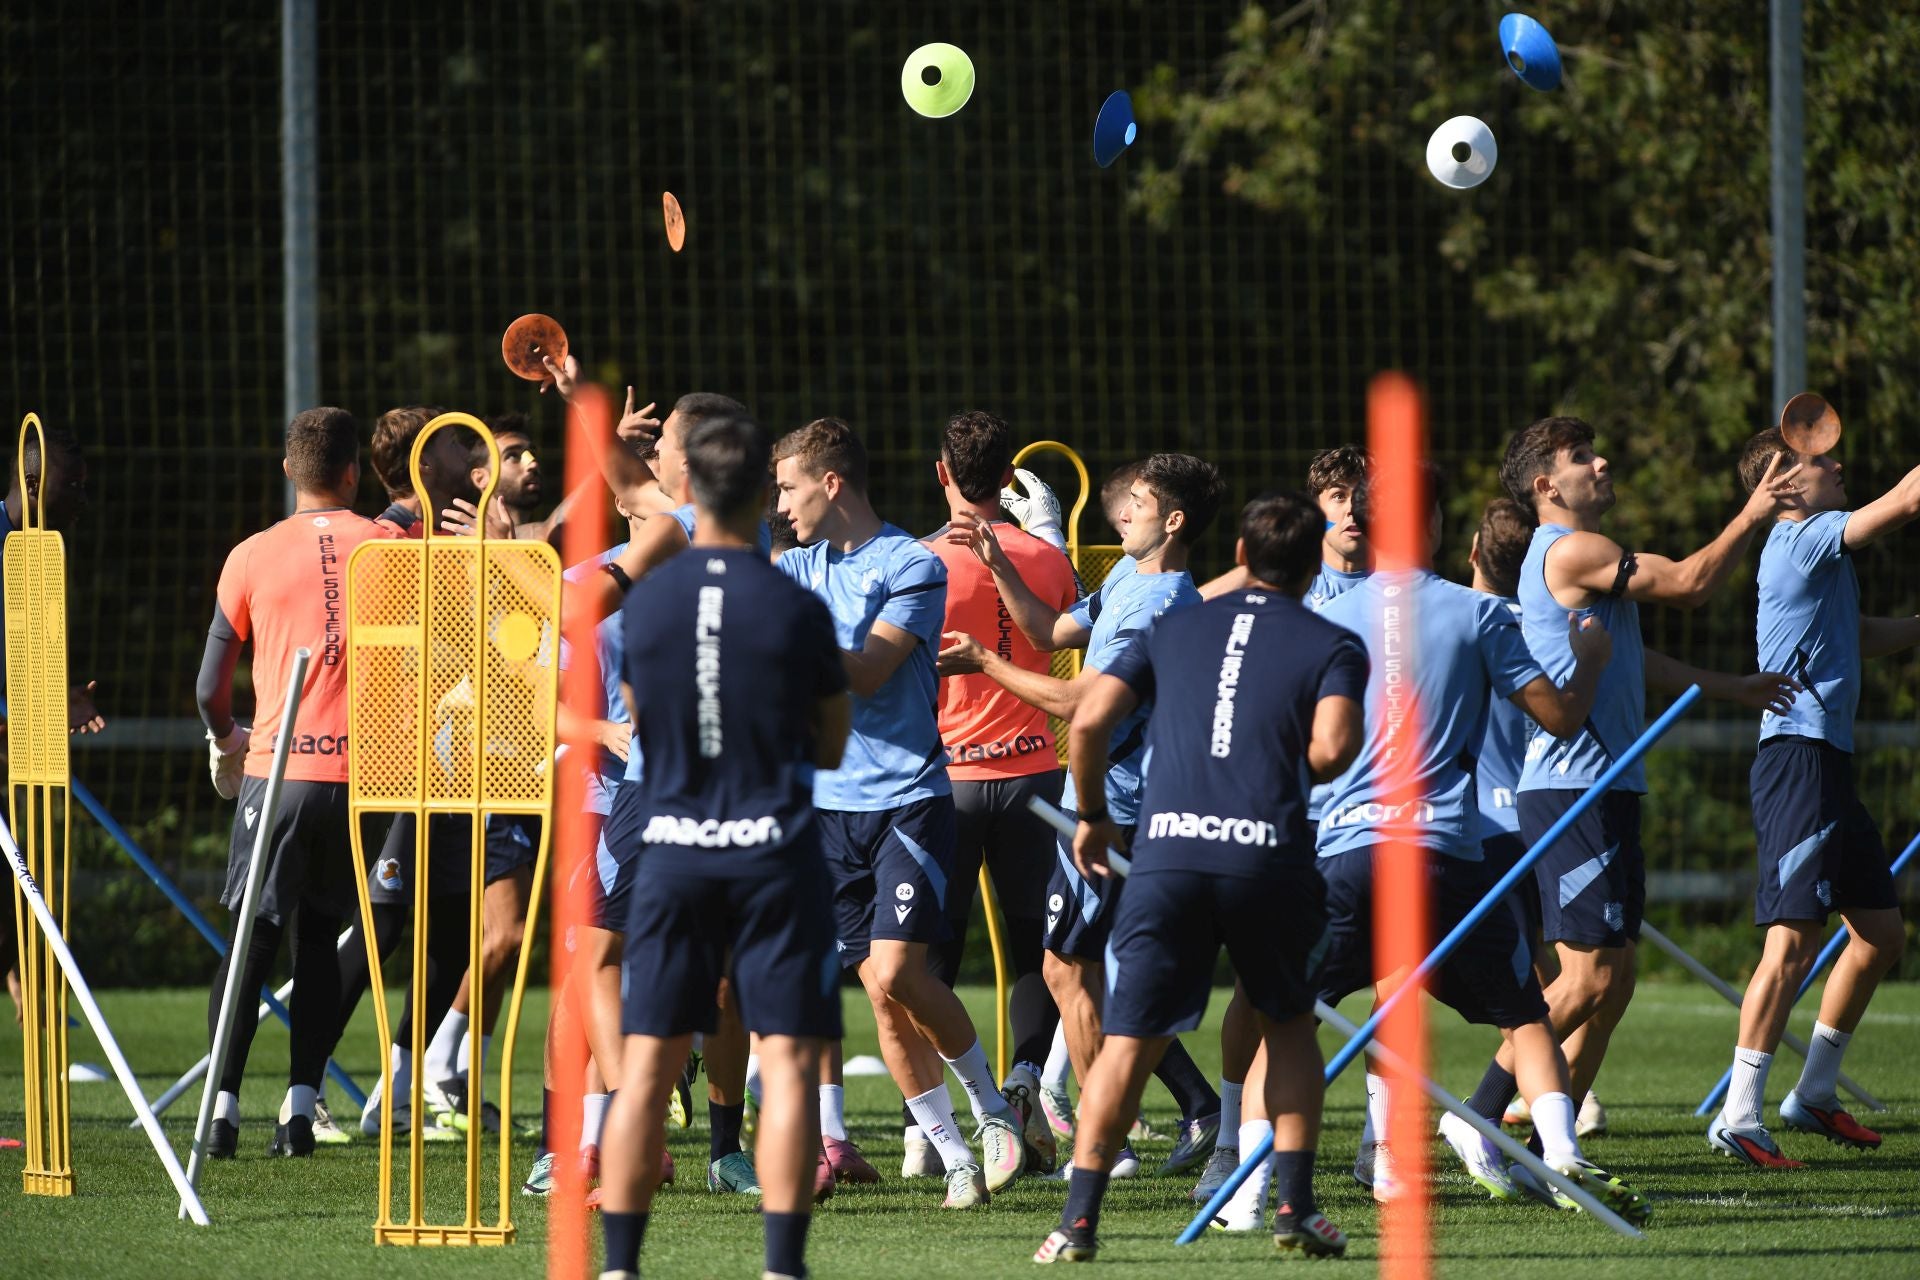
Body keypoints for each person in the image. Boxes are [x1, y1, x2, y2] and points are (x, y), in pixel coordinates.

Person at [1292, 461, 1648, 1224]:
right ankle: (1562, 1157)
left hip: (1347, 851)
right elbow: (1558, 717)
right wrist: (1587, 664)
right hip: (1446, 851)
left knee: (1287, 1018)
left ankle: (1255, 1185)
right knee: (1522, 1014)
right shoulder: (1477, 614)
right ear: (1432, 526)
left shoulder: (1321, 620)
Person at [1033, 492, 1367, 1264]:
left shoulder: (1172, 627)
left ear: (1241, 559)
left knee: (1129, 1037)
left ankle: (1077, 1221)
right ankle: (1295, 1206)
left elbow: (1086, 721)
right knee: (1286, 1026)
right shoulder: (1333, 641)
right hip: (1267, 857)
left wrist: (1091, 814)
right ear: (1315, 566)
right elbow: (1333, 750)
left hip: (1168, 853)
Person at [1463, 416, 1803, 1146]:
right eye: (1582, 457)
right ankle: (1478, 1118)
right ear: (1546, 486)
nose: (1603, 461)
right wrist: (1752, 512)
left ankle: (1548, 1145)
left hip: (1604, 788)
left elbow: (1632, 660)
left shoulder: (1586, 563)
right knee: (1584, 982)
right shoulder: (1573, 549)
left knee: (1613, 985)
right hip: (1572, 790)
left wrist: (1729, 685)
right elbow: (1689, 584)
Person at [595, 408, 851, 1280]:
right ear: (764, 501)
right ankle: (782, 1267)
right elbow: (831, 745)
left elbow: (634, 709)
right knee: (784, 1062)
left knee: (646, 1064)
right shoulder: (795, 603)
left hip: (670, 849)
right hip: (773, 851)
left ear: (691, 490)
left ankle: (621, 1266)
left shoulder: (647, 601)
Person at [942, 452, 1226, 1180]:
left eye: (1135, 502)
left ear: (1174, 519)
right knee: (1085, 968)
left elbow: (1080, 707)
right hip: (1099, 805)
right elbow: (1046, 633)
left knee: (1070, 966)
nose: (1118, 511)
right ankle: (1164, 1118)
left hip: (1119, 810)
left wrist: (981, 660)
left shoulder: (1162, 603)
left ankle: (1109, 1139)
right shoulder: (1128, 579)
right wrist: (1000, 562)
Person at [775, 416, 1022, 1207]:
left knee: (897, 971)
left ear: (832, 483)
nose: (781, 504)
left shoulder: (910, 564)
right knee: (879, 992)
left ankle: (991, 1111)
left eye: (789, 487)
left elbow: (869, 671)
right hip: (825, 810)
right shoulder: (795, 567)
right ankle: (954, 1160)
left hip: (907, 800)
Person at [1707, 427, 1920, 1167]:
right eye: (1820, 460)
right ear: (1786, 487)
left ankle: (1815, 1096)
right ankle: (1738, 1114)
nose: (1837, 463)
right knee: (1791, 942)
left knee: (1881, 936)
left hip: (1828, 763)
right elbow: (1909, 497)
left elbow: (1855, 633)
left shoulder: (1815, 554)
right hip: (1797, 761)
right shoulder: (1803, 537)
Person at [194, 407, 396, 1157]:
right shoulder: (388, 546)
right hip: (361, 777)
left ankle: (220, 1111)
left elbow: (209, 686)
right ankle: (299, 1110)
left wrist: (229, 742)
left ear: (289, 470)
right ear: (352, 472)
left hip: (278, 772)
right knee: (320, 939)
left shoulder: (250, 554)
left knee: (253, 938)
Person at [1190, 444, 1373, 1204]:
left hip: (1376, 816)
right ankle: (1230, 1136)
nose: (1353, 510)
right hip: (1293, 818)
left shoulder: (1408, 591)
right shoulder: (1290, 587)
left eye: (1362, 495)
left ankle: (1377, 1144)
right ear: (1314, 509)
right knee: (1261, 997)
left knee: (1391, 983)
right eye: (1336, 496)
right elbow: (1195, 616)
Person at [922, 411, 1080, 1174]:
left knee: (932, 955)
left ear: (943, 472)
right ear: (1006, 477)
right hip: (1032, 777)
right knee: (1033, 947)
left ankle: (939, 1127)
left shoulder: (917, 561)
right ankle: (1022, 1080)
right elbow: (1070, 642)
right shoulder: (1047, 558)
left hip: (947, 779)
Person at [1, 425, 102, 1038]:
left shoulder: (39, 554)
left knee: (19, 869)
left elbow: (23, 663)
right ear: (32, 483)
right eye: (72, 487)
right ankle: (22, 982)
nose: (79, 501)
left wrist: (52, 699)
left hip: (7, 749)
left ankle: (24, 984)